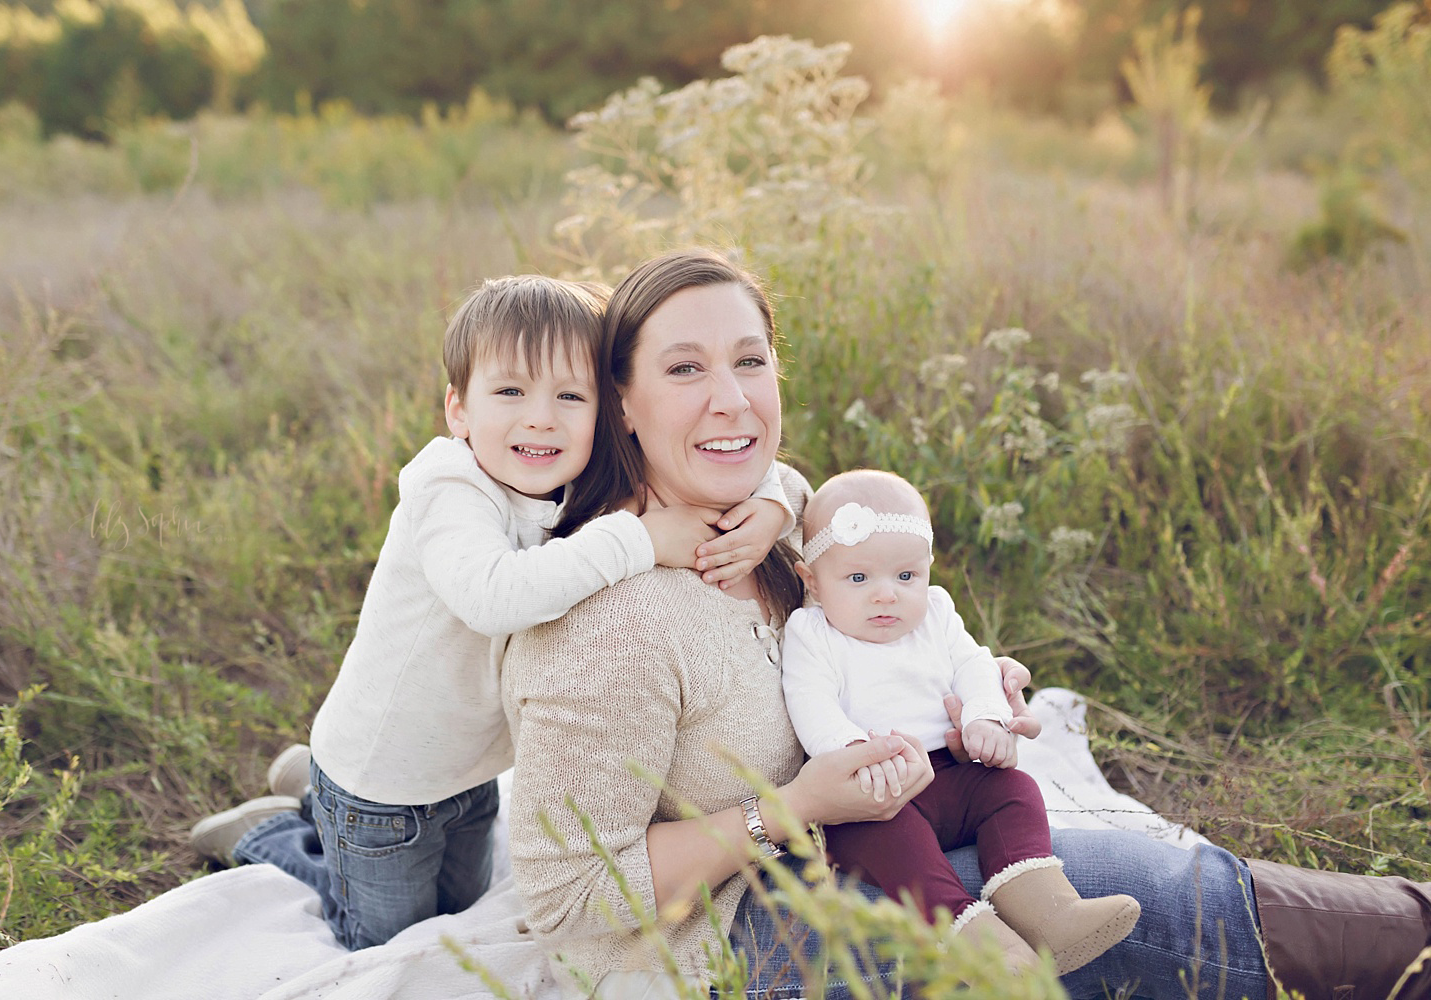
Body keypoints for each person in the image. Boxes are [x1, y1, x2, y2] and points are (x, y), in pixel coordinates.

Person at [501, 248, 1431, 1000]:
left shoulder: (771, 538)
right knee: (1142, 900)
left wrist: (958, 693)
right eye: (684, 369)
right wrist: (791, 808)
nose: (732, 398)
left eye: (750, 360)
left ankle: (1408, 930)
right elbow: (569, 898)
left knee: (1086, 876)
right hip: (741, 941)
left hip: (870, 834)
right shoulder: (606, 618)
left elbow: (857, 645)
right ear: (621, 400)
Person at [187, 274, 793, 951]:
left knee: (463, 902)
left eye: (570, 396)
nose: (541, 417)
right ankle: (274, 834)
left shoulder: (564, 475)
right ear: (458, 409)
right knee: (385, 935)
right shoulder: (450, 489)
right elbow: (493, 597)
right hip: (385, 782)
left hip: (468, 769)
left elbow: (757, 468)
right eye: (510, 392)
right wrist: (642, 537)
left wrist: (770, 512)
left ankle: (310, 789)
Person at [781, 468, 1139, 972]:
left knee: (1012, 791)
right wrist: (853, 751)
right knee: (899, 849)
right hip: (873, 793)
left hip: (950, 771)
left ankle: (1049, 911)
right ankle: (977, 941)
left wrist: (985, 717)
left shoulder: (936, 613)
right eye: (858, 578)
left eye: (906, 576)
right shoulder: (812, 634)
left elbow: (974, 665)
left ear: (928, 568)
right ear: (813, 583)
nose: (887, 595)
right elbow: (810, 703)